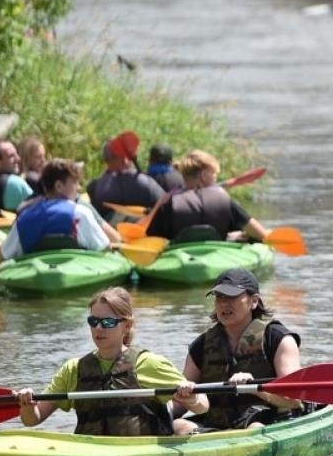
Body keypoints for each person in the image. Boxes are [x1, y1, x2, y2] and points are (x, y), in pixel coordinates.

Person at [17, 287, 206, 436]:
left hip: (141, 453)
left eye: (107, 322)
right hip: (93, 453)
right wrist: (28, 405)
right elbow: (32, 420)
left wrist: (191, 396)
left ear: (127, 325)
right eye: (93, 322)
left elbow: (203, 404)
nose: (98, 328)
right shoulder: (73, 369)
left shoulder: (148, 363)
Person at [179, 270, 303, 431]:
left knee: (255, 427)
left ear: (254, 301)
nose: (224, 304)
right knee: (179, 425)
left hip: (267, 420)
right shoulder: (201, 345)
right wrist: (183, 395)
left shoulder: (279, 339)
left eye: (232, 297)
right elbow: (179, 404)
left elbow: (293, 398)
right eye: (219, 297)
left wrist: (256, 388)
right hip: (218, 424)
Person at [0, 159, 116, 259]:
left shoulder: (23, 219)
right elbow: (104, 249)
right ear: (59, 186)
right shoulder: (80, 213)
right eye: (74, 182)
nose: (78, 188)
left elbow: (5, 254)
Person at [143, 149, 267, 243]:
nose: (215, 180)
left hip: (180, 262)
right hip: (218, 258)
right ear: (204, 175)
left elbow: (151, 240)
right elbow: (261, 234)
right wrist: (241, 236)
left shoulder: (169, 202)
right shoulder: (223, 200)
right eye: (214, 175)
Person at [86, 133, 165, 221]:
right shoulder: (147, 184)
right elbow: (166, 207)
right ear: (125, 159)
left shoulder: (94, 187)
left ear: (106, 159)